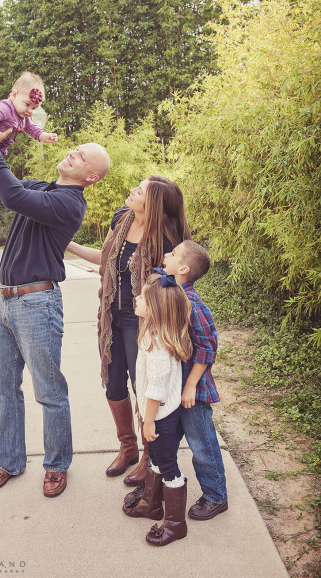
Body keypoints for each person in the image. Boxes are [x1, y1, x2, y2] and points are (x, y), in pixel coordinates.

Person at [0, 123, 110, 498]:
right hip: (1, 300)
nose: (74, 152)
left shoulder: (70, 204)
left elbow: (14, 197)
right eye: (77, 147)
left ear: (91, 176)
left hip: (37, 304)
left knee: (49, 391)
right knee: (2, 388)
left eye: (83, 156)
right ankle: (9, 461)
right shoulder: (39, 187)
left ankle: (56, 465)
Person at [66, 177, 190, 483]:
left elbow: (175, 286)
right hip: (110, 316)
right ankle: (128, 447)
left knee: (145, 388)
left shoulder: (167, 239)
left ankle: (151, 455)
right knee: (114, 384)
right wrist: (65, 243)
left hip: (143, 321)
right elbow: (103, 258)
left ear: (152, 205)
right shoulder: (121, 218)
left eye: (139, 191)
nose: (131, 190)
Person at [125, 240, 228, 520]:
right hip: (169, 390)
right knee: (162, 443)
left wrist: (191, 385)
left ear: (183, 268)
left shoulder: (191, 302)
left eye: (172, 254)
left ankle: (215, 496)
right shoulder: (166, 292)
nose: (166, 255)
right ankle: (154, 491)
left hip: (190, 391)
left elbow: (207, 347)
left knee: (201, 443)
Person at [122, 271, 193, 546]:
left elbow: (156, 390)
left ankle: (176, 524)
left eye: (142, 297)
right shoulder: (152, 332)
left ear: (156, 307)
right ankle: (150, 505)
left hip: (160, 416)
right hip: (161, 414)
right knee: (156, 458)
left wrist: (147, 421)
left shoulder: (157, 346)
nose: (136, 298)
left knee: (168, 465)